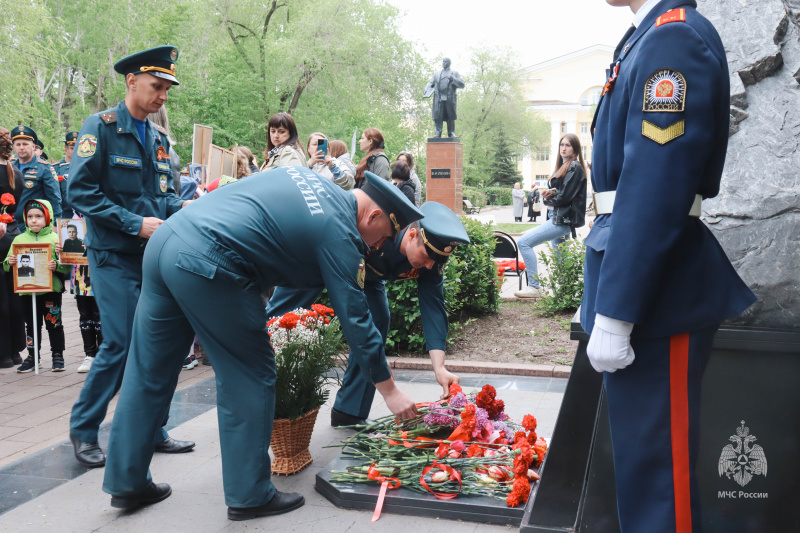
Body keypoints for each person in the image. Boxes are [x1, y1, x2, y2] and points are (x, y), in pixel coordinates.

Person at [101, 168, 423, 519]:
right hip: (209, 263)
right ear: (374, 215)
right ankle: (249, 494)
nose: (379, 246)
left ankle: (126, 481)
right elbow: (356, 316)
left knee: (148, 370)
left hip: (166, 240)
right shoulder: (339, 230)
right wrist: (390, 390)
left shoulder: (308, 177)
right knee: (249, 374)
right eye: (385, 236)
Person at [581, 2, 757, 532]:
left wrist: (616, 310)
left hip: (657, 289)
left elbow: (656, 184)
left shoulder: (673, 41)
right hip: (641, 278)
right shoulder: (648, 37)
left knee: (660, 478)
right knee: (642, 468)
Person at [66, 45, 194, 468]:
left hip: (155, 258)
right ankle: (85, 431)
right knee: (120, 344)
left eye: (166, 90)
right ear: (132, 81)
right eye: (157, 87)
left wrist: (192, 209)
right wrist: (133, 223)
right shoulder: (99, 128)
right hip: (114, 256)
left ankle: (150, 428)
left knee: (159, 346)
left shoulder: (158, 139)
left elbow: (165, 198)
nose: (162, 97)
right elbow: (80, 192)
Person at [268, 200, 468, 426]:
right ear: (411, 235)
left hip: (367, 274)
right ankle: (257, 390)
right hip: (324, 255)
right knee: (279, 320)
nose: (430, 265)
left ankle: (349, 411)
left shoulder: (430, 263)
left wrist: (439, 368)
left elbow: (433, 308)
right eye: (427, 256)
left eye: (436, 261)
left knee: (378, 320)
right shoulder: (385, 229)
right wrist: (389, 389)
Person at [514, 134, 587, 299]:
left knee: (524, 242)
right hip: (559, 218)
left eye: (568, 145)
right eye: (562, 145)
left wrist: (548, 198)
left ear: (575, 148)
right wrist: (552, 191)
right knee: (561, 259)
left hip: (561, 220)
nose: (564, 148)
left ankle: (533, 287)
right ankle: (565, 294)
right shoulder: (566, 166)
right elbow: (563, 192)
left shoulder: (574, 166)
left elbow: (566, 197)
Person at [4, 200, 71, 373]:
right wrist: (9, 261)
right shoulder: (19, 239)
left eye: (39, 216)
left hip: (51, 291)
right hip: (27, 291)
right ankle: (33, 357)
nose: (34, 220)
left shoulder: (55, 239)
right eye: (30, 217)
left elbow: (66, 264)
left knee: (54, 323)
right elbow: (7, 264)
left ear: (47, 217)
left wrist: (57, 265)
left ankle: (58, 355)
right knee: (32, 325)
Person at [0, 127, 26, 369]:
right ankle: (15, 352)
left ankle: (3, 353)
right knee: (13, 295)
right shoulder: (15, 173)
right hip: (12, 236)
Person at [10, 126, 62, 226]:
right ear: (13, 147)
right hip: (11, 223)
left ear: (33, 147)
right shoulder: (10, 168)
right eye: (18, 144)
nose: (21, 147)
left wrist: (55, 224)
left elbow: (54, 198)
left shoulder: (45, 168)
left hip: (34, 225)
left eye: (25, 144)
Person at [423, 57, 465, 138]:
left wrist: (453, 79)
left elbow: (462, 84)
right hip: (439, 98)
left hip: (449, 98)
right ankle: (437, 133)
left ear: (449, 63)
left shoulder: (454, 73)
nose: (444, 63)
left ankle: (451, 133)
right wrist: (426, 89)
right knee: (438, 116)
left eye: (446, 62)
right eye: (443, 61)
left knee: (450, 116)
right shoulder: (437, 74)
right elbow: (430, 83)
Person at [53, 131, 78, 219]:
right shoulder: (55, 169)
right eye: (72, 148)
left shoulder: (87, 168)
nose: (75, 151)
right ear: (66, 150)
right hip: (63, 215)